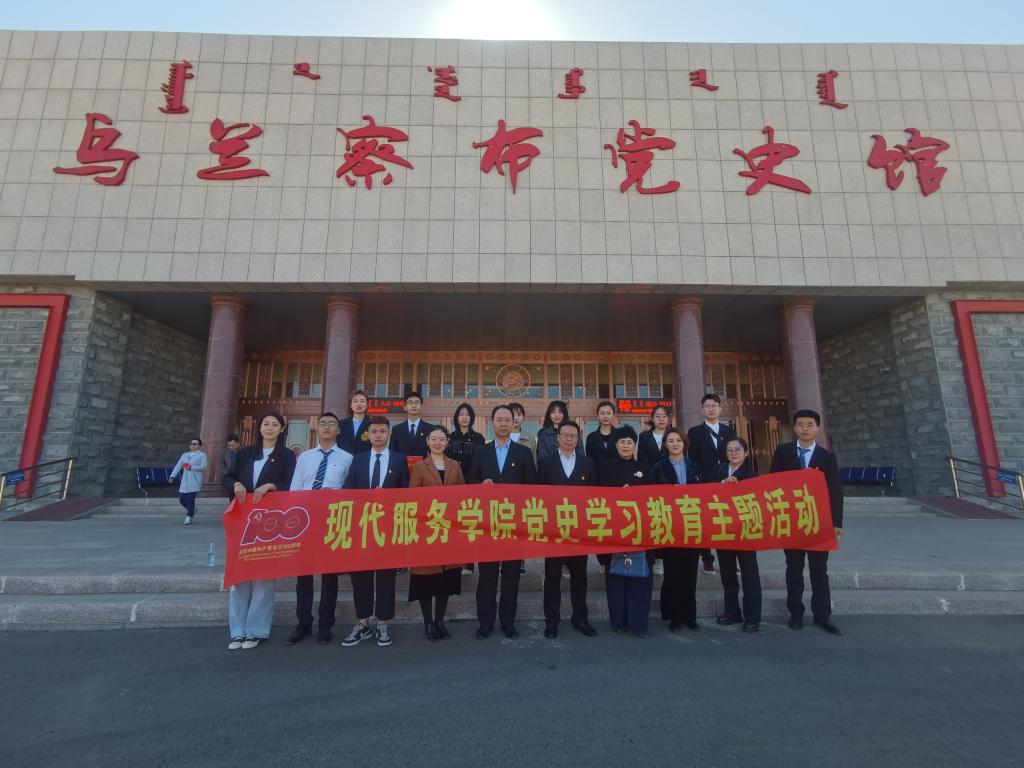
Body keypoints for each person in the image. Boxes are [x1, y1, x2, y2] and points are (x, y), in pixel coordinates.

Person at [223, 412, 297, 650]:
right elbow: (228, 477)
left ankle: (256, 630)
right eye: (266, 423)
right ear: (259, 427)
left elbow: (292, 485)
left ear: (282, 429)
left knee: (263, 578)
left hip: (270, 523)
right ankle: (237, 631)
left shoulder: (286, 456)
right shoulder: (245, 453)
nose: (270, 428)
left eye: (275, 424)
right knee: (239, 576)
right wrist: (235, 484)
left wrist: (272, 486)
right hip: (242, 520)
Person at [770, 408, 844, 635]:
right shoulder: (783, 452)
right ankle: (796, 613)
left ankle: (822, 616)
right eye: (800, 424)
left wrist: (837, 523)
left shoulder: (827, 457)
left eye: (809, 425)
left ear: (817, 428)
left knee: (819, 571)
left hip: (819, 523)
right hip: (792, 521)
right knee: (793, 569)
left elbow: (835, 491)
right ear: (794, 428)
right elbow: (773, 484)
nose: (805, 428)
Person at [468, 404, 537, 639]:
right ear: (492, 422)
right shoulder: (481, 451)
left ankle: (508, 623)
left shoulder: (523, 453)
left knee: (511, 577)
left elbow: (531, 486)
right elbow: (471, 479)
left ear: (514, 422)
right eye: (500, 419)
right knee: (486, 577)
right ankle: (485, 624)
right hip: (487, 523)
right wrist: (480, 485)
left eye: (508, 419)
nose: (504, 423)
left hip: (513, 523)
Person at [341, 416, 410, 648]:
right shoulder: (358, 460)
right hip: (361, 528)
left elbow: (406, 494)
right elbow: (348, 491)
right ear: (367, 435)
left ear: (389, 434)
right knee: (360, 576)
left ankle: (383, 623)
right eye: (374, 431)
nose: (378, 435)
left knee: (386, 577)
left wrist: (388, 498)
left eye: (382, 431)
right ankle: (362, 623)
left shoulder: (399, 460)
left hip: (388, 528)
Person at [286, 412, 354, 646]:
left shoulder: (347, 458)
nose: (326, 427)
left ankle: (326, 624)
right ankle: (303, 623)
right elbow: (295, 489)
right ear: (317, 428)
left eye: (331, 424)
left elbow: (350, 491)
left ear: (338, 430)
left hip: (332, 521)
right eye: (323, 423)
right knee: (303, 577)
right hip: (306, 520)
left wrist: (335, 496)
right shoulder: (305, 457)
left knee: (329, 577)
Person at [537, 420, 598, 639]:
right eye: (565, 435)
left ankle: (580, 618)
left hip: (579, 532)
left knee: (579, 577)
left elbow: (594, 497)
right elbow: (538, 497)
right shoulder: (546, 463)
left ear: (578, 438)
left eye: (573, 435)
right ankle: (552, 621)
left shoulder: (588, 463)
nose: (569, 439)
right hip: (554, 531)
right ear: (558, 438)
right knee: (552, 578)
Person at [409, 425, 465, 641]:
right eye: (434, 439)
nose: (437, 443)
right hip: (427, 531)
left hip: (449, 530)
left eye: (442, 439)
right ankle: (428, 623)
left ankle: (440, 620)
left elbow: (463, 496)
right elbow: (412, 499)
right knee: (426, 580)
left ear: (447, 442)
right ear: (427, 441)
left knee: (445, 579)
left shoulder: (454, 465)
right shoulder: (419, 467)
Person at [598, 426, 655, 638]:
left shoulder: (644, 468)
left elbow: (653, 498)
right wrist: (618, 496)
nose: (625, 445)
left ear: (634, 445)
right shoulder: (606, 467)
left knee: (640, 580)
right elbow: (599, 497)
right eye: (622, 442)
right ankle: (618, 622)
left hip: (640, 530)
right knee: (616, 578)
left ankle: (639, 624)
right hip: (614, 529)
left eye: (629, 442)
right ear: (616, 445)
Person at [650, 427, 702, 631]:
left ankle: (690, 616)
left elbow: (705, 494)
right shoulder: (658, 468)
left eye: (678, 440)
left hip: (692, 525)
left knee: (690, 574)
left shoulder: (695, 467)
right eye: (670, 441)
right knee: (673, 574)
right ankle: (674, 616)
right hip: (669, 525)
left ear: (684, 443)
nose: (675, 444)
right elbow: (652, 495)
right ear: (665, 444)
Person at [709, 437, 762, 633]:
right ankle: (732, 611)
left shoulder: (752, 474)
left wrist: (738, 486)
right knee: (727, 574)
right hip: (723, 529)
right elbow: (707, 491)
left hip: (745, 530)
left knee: (749, 574)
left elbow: (757, 499)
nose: (733, 453)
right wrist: (723, 483)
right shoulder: (718, 470)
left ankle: (752, 617)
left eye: (737, 450)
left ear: (746, 453)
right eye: (729, 450)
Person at [688, 394, 736, 575]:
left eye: (714, 405)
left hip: (726, 481)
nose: (711, 409)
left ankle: (730, 559)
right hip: (705, 482)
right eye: (707, 406)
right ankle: (707, 559)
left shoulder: (728, 431)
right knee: (705, 521)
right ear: (702, 410)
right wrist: (697, 479)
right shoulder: (695, 432)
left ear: (720, 409)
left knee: (728, 520)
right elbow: (692, 458)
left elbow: (734, 455)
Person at [170, 438, 208, 525]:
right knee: (182, 499)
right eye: (191, 444)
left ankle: (189, 517)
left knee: (190, 499)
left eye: (195, 444)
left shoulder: (202, 455)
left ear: (199, 445)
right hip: (185, 481)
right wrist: (172, 476)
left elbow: (204, 467)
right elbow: (178, 465)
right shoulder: (185, 455)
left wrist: (191, 467)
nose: (192, 445)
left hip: (195, 480)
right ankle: (192, 510)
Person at [389, 391, 436, 458]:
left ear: (422, 407)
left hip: (423, 464)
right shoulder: (396, 429)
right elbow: (392, 451)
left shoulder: (430, 428)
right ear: (405, 407)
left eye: (417, 403)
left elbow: (433, 451)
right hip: (402, 464)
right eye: (410, 403)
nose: (414, 405)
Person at [446, 402, 485, 477]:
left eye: (468, 415)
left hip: (473, 478)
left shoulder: (479, 438)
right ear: (457, 418)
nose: (464, 417)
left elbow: (482, 460)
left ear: (471, 418)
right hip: (453, 477)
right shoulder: (450, 437)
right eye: (461, 415)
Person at [585, 400, 618, 482]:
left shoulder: (620, 435)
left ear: (613, 415)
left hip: (617, 477)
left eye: (608, 413)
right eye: (602, 413)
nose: (605, 416)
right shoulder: (591, 437)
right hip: (597, 478)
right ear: (597, 416)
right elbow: (589, 461)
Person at [338, 390, 371, 455]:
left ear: (367, 405)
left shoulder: (372, 424)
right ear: (350, 405)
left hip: (364, 459)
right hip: (344, 459)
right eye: (355, 401)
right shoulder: (341, 424)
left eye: (362, 401)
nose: (359, 404)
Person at [222, 434, 240, 500]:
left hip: (240, 477)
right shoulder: (225, 451)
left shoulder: (244, 451)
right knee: (231, 495)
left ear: (238, 444)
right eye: (229, 445)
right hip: (230, 477)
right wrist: (226, 472)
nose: (230, 447)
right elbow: (221, 463)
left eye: (232, 445)